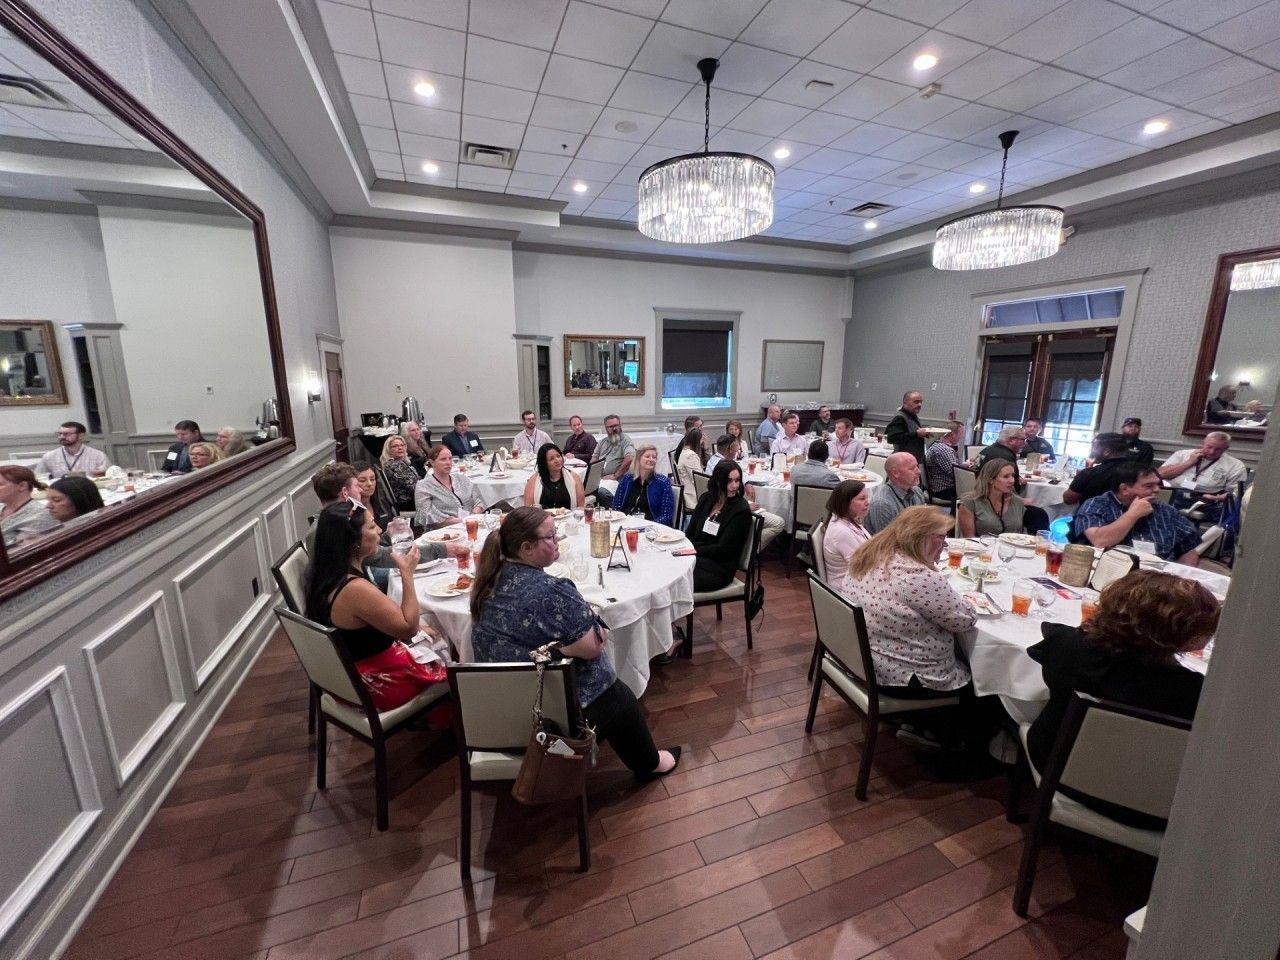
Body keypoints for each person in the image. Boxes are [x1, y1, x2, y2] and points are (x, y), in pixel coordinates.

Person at [470, 506, 680, 780]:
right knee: (619, 696)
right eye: (551, 536)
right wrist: (585, 623)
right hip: (544, 716)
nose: (557, 540)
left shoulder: (487, 582)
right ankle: (650, 764)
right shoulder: (553, 590)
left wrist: (558, 647)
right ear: (527, 548)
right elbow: (593, 645)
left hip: (499, 709)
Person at [1027, 570, 1219, 829]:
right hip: (1150, 805)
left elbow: (1074, 637)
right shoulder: (1197, 694)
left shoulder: (1066, 647)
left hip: (1054, 766)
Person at [841, 506, 989, 753]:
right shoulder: (917, 576)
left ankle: (919, 722)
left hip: (866, 659)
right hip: (906, 677)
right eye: (940, 537)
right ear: (919, 537)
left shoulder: (872, 553)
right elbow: (964, 620)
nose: (944, 545)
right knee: (985, 682)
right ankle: (949, 741)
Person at [304, 501, 446, 711]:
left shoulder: (327, 574)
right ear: (353, 541)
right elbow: (408, 628)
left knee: (433, 628)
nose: (379, 529)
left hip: (350, 674)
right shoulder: (354, 589)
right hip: (375, 683)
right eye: (371, 527)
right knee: (455, 665)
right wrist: (407, 574)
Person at [1072, 463, 1200, 565]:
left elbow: (1189, 550)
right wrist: (1132, 515)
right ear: (1124, 489)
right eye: (1149, 486)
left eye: (1158, 484)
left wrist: (1180, 579)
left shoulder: (1166, 510)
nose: (1157, 490)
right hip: (1111, 573)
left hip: (1159, 579)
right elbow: (1100, 541)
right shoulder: (1097, 505)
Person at [686, 459, 755, 592]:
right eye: (729, 481)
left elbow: (723, 550)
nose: (734, 486)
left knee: (676, 580)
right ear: (718, 481)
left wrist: (692, 549)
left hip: (718, 569)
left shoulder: (740, 509)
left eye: (737, 480)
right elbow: (690, 533)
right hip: (696, 558)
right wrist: (689, 551)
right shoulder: (706, 499)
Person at [1157, 431, 1246, 519]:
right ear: (1204, 443)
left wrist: (1216, 498)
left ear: (1226, 449)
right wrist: (1188, 463)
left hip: (1206, 500)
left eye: (1218, 449)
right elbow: (1160, 474)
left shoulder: (1235, 465)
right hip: (1173, 494)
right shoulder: (1182, 454)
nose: (1212, 452)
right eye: (1209, 447)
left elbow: (1235, 494)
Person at [414, 445, 484, 528]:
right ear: (432, 462)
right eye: (443, 459)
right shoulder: (424, 486)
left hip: (471, 525)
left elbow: (479, 501)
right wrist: (464, 520)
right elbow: (426, 516)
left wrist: (474, 515)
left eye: (450, 458)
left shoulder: (461, 478)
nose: (448, 462)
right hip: (442, 533)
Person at [822, 479, 871, 591]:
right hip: (849, 589)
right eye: (862, 499)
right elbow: (862, 567)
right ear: (846, 502)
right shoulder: (842, 532)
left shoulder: (849, 520)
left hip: (859, 580)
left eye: (867, 498)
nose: (867, 502)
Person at [1062, 433, 1135, 506]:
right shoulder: (1139, 471)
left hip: (1092, 515)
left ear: (1107, 452)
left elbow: (1068, 499)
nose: (1093, 451)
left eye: (1095, 447)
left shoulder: (1089, 473)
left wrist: (1078, 481)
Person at [865, 452, 929, 534]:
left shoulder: (917, 491)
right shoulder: (883, 504)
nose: (919, 471)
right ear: (895, 473)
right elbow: (886, 543)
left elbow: (922, 524)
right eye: (912, 468)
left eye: (917, 466)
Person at [958, 460, 1026, 537]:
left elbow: (1021, 537)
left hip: (1012, 548)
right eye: (1006, 476)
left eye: (1013, 475)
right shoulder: (970, 502)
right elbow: (969, 538)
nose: (1012, 480)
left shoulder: (1017, 502)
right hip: (981, 547)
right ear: (990, 480)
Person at [612, 444, 676, 525]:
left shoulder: (663, 483)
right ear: (638, 458)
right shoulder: (627, 479)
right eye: (647, 456)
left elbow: (666, 516)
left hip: (651, 528)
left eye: (654, 457)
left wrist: (648, 525)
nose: (651, 459)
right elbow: (616, 507)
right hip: (625, 526)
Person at [0, 465, 58, 547]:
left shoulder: (40, 517)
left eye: (0, 484)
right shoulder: (2, 507)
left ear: (22, 486)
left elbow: (17, 551)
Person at [523, 442, 585, 510]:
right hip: (542, 519)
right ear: (544, 463)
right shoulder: (534, 480)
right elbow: (529, 509)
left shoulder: (574, 477)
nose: (557, 460)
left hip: (569, 518)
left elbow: (580, 507)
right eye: (551, 459)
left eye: (558, 456)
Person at [39, 421, 112, 478]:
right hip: (61, 492)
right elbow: (39, 478)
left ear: (81, 436)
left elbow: (109, 477)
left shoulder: (98, 455)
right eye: (59, 434)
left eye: (66, 434)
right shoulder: (49, 457)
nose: (61, 437)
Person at [594, 414, 635, 503]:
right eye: (611, 427)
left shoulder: (625, 440)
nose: (614, 428)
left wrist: (615, 475)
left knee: (602, 492)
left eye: (616, 425)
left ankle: (612, 513)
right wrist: (594, 477)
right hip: (601, 479)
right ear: (606, 428)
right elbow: (593, 461)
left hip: (618, 479)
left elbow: (630, 458)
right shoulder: (602, 442)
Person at [924, 420, 965, 503]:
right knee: (976, 493)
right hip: (943, 490)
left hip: (935, 487)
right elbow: (955, 475)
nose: (962, 435)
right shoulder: (945, 450)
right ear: (953, 434)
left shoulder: (936, 445)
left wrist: (963, 466)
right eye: (962, 432)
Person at [977, 426, 1027, 492]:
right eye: (1023, 440)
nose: (1025, 443)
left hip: (978, 489)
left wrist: (1018, 477)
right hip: (990, 496)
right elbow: (1012, 486)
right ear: (1011, 440)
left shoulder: (988, 449)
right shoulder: (1005, 457)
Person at [352, 459, 395, 530]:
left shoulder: (382, 501)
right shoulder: (351, 511)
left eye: (372, 479)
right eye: (362, 480)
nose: (369, 484)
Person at [885, 391, 927, 463]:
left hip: (912, 461)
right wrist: (916, 434)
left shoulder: (913, 416)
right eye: (916, 402)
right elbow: (892, 438)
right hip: (902, 463)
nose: (920, 404)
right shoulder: (899, 418)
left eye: (921, 402)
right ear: (905, 402)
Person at [379, 435, 420, 509]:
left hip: (413, 500)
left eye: (402, 445)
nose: (400, 448)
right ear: (388, 450)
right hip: (408, 504)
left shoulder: (400, 462)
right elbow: (414, 488)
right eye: (395, 446)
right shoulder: (395, 465)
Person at [673, 428, 708, 511]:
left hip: (690, 491)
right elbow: (698, 480)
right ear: (696, 441)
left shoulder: (685, 451)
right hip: (692, 497)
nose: (702, 444)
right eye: (701, 441)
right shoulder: (690, 456)